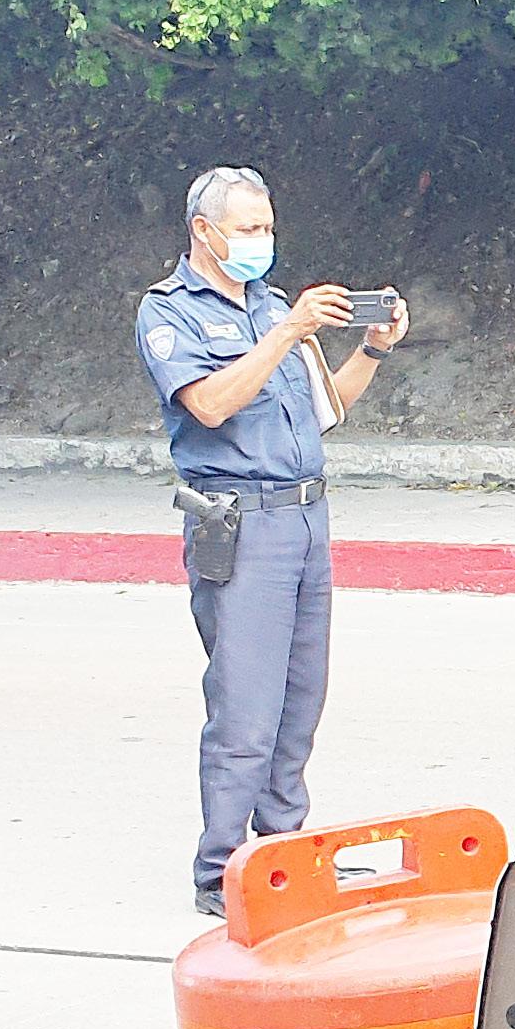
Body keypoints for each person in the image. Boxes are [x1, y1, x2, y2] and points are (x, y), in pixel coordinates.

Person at [134, 165, 406, 917]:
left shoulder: (270, 303)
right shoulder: (171, 312)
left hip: (305, 515)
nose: (262, 241)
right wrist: (287, 331)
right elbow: (210, 404)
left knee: (299, 696)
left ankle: (283, 852)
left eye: (268, 227)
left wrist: (372, 349)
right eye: (248, 229)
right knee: (246, 705)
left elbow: (324, 408)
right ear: (204, 231)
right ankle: (221, 872)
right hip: (240, 520)